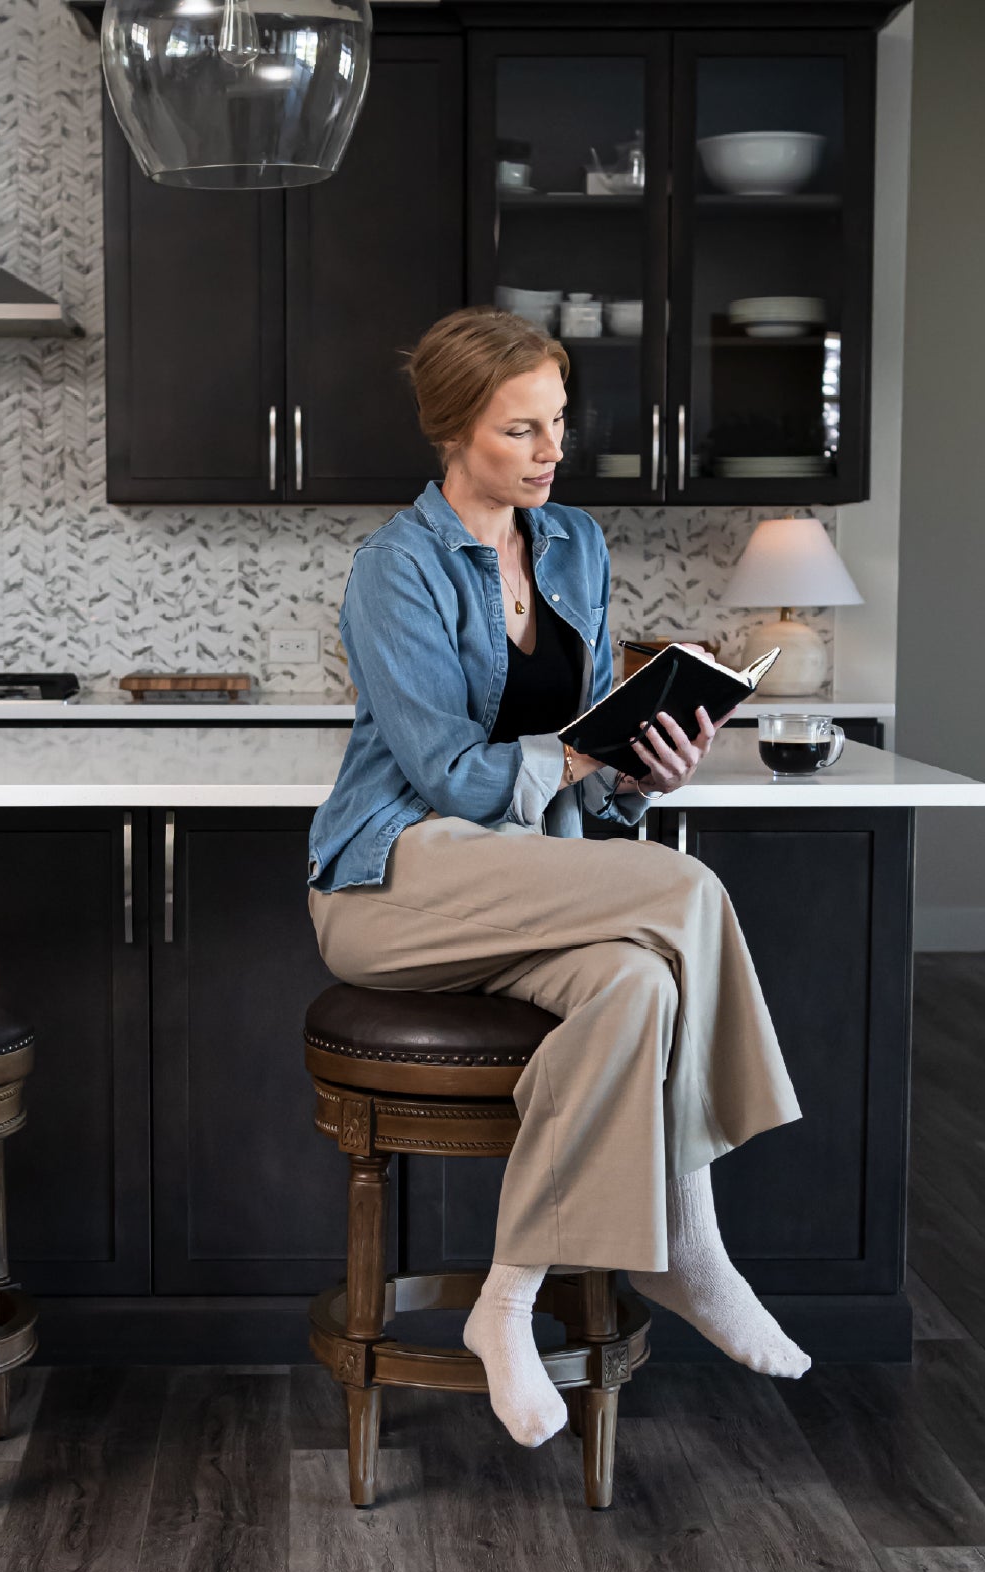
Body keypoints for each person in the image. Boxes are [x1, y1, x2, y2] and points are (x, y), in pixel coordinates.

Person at [306, 307, 810, 1448]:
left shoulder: (574, 544)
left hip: (528, 873)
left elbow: (575, 763)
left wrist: (639, 775)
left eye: (558, 425)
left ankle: (507, 1299)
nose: (549, 452)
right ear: (452, 432)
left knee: (640, 985)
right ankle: (691, 1238)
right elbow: (443, 770)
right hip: (393, 878)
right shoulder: (393, 569)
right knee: (683, 894)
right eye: (519, 430)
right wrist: (584, 756)